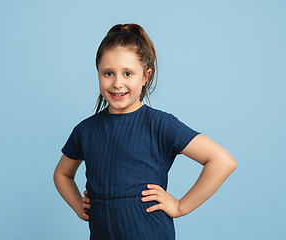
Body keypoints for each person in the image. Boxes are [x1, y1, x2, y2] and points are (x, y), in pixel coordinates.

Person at [53, 23, 237, 240]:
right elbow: (62, 174)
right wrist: (78, 206)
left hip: (150, 232)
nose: (117, 83)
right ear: (98, 74)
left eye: (128, 73)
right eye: (108, 73)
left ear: (145, 76)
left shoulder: (160, 124)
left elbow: (222, 161)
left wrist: (180, 206)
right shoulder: (85, 130)